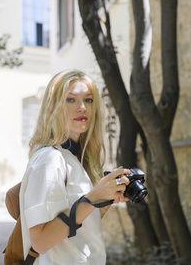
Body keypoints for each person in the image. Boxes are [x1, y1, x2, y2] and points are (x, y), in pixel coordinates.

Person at [19, 69, 131, 264]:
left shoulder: (74, 158)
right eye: (70, 100)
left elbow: (78, 228)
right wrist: (93, 198)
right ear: (53, 107)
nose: (82, 108)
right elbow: (40, 242)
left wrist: (104, 199)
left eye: (88, 100)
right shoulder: (49, 159)